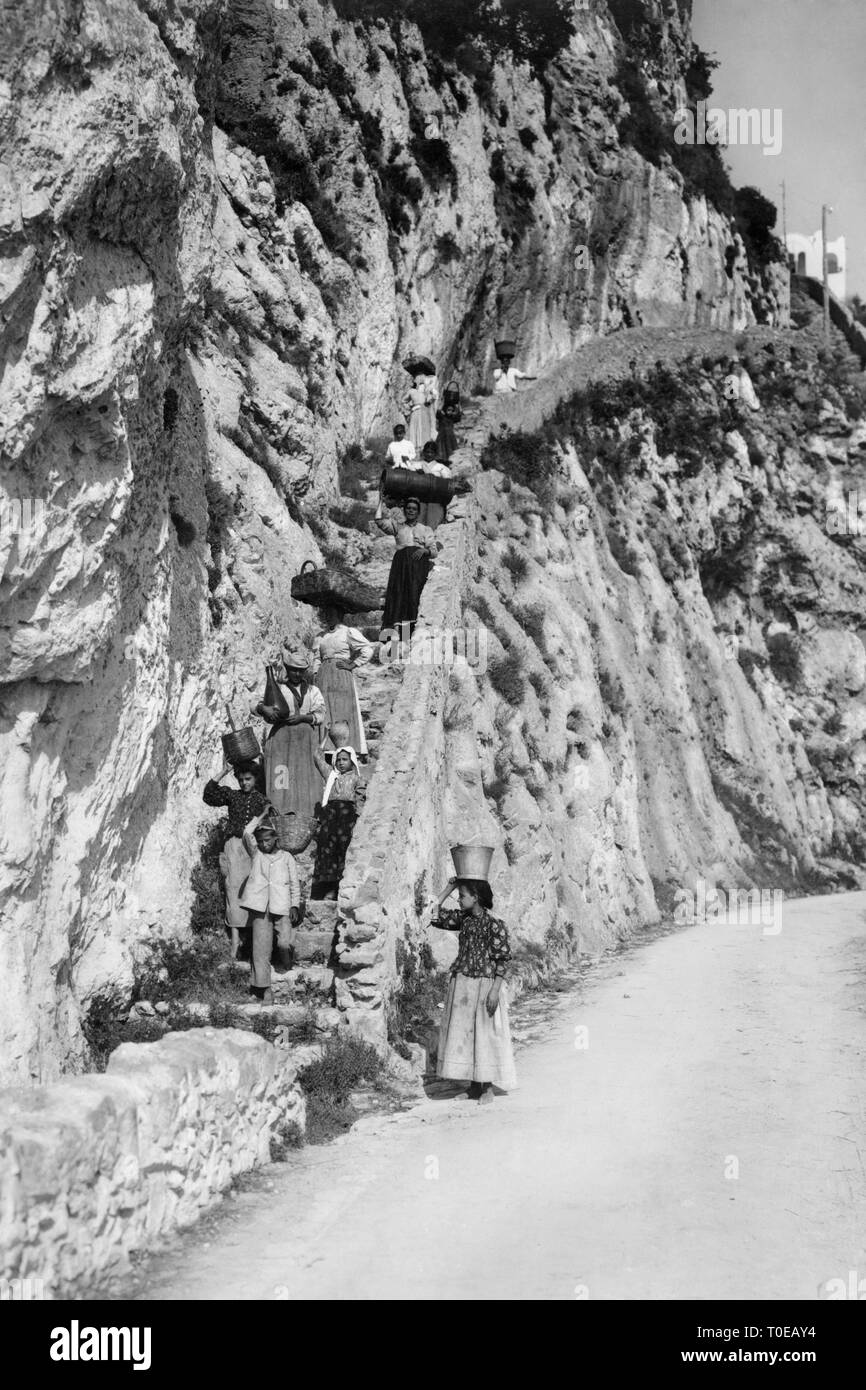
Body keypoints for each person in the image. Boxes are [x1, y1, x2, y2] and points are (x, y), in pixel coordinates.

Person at [433, 875, 517, 1102]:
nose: (458, 900)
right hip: (462, 983)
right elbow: (434, 914)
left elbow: (502, 960)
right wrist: (449, 887)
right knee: (467, 1033)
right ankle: (472, 1086)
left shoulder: (495, 924)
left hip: (484, 983)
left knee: (484, 1033)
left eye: (462, 896)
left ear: (476, 897)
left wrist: (495, 991)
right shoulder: (464, 919)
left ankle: (487, 1087)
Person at [255, 648, 328, 828]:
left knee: (306, 775)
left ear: (305, 672)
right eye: (293, 669)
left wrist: (303, 717)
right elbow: (255, 703)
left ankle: (308, 816)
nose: (296, 673)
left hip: (305, 740)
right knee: (281, 775)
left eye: (300, 670)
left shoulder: (313, 691)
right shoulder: (278, 688)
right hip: (281, 739)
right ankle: (280, 815)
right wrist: (263, 709)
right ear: (287, 669)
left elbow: (320, 713)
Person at [202, 760, 268, 959]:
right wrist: (224, 770)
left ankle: (252, 943)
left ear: (255, 779)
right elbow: (209, 795)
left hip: (252, 848)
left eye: (248, 779)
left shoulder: (262, 800)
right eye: (241, 780)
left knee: (252, 892)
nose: (244, 783)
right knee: (232, 891)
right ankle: (235, 941)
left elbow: (267, 828)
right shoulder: (233, 796)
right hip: (233, 847)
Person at [239, 809, 301, 1006]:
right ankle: (265, 991)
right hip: (260, 907)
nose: (264, 844)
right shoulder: (257, 855)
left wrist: (295, 905)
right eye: (262, 841)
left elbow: (294, 884)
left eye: (268, 840)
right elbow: (246, 833)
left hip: (281, 905)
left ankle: (286, 959)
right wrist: (261, 815)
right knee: (260, 949)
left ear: (275, 838)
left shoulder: (287, 857)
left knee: (283, 943)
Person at [374, 495, 441, 639]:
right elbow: (379, 521)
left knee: (413, 596)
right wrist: (380, 500)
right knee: (398, 595)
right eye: (408, 508)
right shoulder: (397, 526)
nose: (411, 511)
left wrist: (424, 550)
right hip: (400, 566)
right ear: (405, 510)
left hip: (417, 568)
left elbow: (434, 552)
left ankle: (408, 634)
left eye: (414, 509)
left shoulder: (425, 529)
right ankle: (393, 636)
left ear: (418, 512)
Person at [313, 606, 373, 760]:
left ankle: (346, 751)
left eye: (331, 612)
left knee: (343, 710)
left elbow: (367, 649)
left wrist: (352, 664)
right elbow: (316, 659)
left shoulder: (348, 632)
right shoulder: (321, 636)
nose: (328, 616)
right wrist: (315, 675)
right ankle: (326, 750)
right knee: (325, 710)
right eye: (326, 613)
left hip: (341, 677)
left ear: (339, 614)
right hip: (323, 679)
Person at [310, 747, 365, 900]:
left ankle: (340, 887)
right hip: (330, 816)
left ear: (352, 761)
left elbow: (360, 800)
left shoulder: (357, 779)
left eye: (345, 759)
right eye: (338, 759)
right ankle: (326, 887)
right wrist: (324, 739)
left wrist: (357, 820)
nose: (341, 763)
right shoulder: (331, 776)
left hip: (347, 817)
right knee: (327, 850)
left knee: (343, 850)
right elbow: (317, 758)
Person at [415, 440, 452, 528]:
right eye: (427, 452)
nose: (429, 454)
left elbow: (448, 484)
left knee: (433, 525)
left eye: (431, 452)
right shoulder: (416, 465)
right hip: (420, 499)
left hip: (435, 500)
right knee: (418, 525)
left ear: (435, 454)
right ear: (423, 452)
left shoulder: (441, 468)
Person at [404, 375, 437, 451]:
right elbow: (404, 401)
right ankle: (413, 450)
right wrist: (411, 408)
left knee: (425, 430)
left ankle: (424, 449)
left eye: (423, 383)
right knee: (414, 429)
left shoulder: (426, 392)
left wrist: (432, 394)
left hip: (425, 413)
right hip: (415, 413)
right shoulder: (411, 391)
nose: (422, 385)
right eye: (420, 383)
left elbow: (431, 400)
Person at [435, 382, 462, 460]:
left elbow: (459, 414)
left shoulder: (452, 418)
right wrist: (443, 401)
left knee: (450, 450)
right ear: (445, 410)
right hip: (442, 436)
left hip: (450, 436)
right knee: (441, 449)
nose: (449, 411)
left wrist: (459, 404)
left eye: (451, 410)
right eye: (448, 410)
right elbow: (439, 410)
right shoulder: (442, 416)